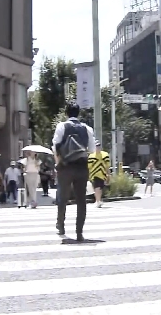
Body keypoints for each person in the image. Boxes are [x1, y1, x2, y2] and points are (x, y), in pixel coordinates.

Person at [52, 101, 95, 241]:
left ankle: (61, 225)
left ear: (66, 113)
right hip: (82, 167)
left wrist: (58, 163)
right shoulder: (87, 128)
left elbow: (55, 147)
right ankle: (79, 232)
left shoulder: (61, 126)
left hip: (65, 166)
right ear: (79, 113)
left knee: (62, 198)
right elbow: (92, 150)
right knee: (81, 200)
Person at [87, 140, 110, 208]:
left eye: (99, 146)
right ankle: (98, 201)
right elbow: (89, 166)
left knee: (99, 188)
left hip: (102, 174)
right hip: (94, 174)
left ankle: (98, 201)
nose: (98, 147)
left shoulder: (105, 155)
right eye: (96, 146)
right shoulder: (91, 156)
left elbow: (107, 165)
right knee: (96, 187)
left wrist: (108, 174)